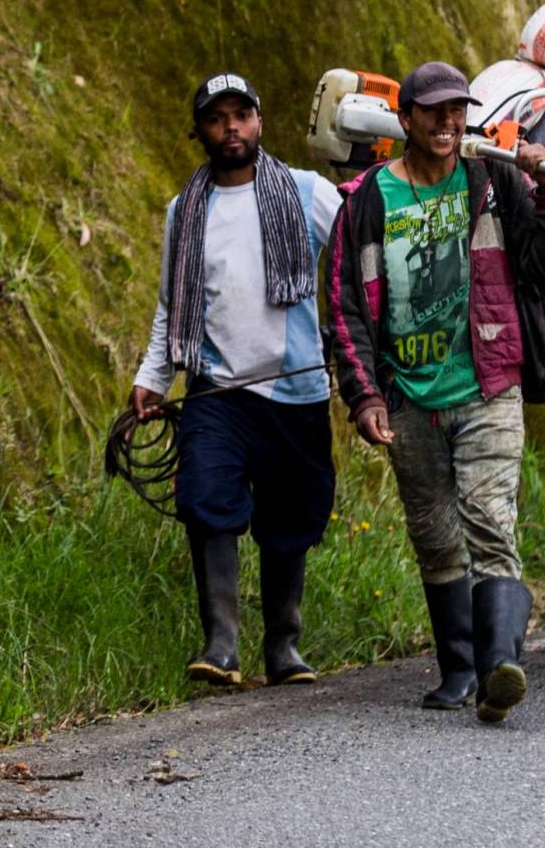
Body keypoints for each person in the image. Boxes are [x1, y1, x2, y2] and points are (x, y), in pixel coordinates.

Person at [326, 61, 545, 723]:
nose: (447, 122)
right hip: (407, 396)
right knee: (435, 536)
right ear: (403, 119)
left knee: (491, 523)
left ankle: (499, 667)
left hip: (489, 383)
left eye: (457, 110)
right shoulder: (368, 200)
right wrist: (364, 396)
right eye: (432, 112)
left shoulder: (492, 180)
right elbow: (345, 308)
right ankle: (458, 669)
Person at [130, 72, 341, 687]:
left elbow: (360, 255)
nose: (230, 128)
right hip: (215, 389)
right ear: (198, 130)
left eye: (240, 115)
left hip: (295, 390)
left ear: (259, 121)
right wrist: (153, 376)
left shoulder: (307, 193)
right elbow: (172, 305)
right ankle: (221, 644)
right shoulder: (185, 210)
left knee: (291, 517)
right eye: (216, 118)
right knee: (205, 500)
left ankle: (284, 645)